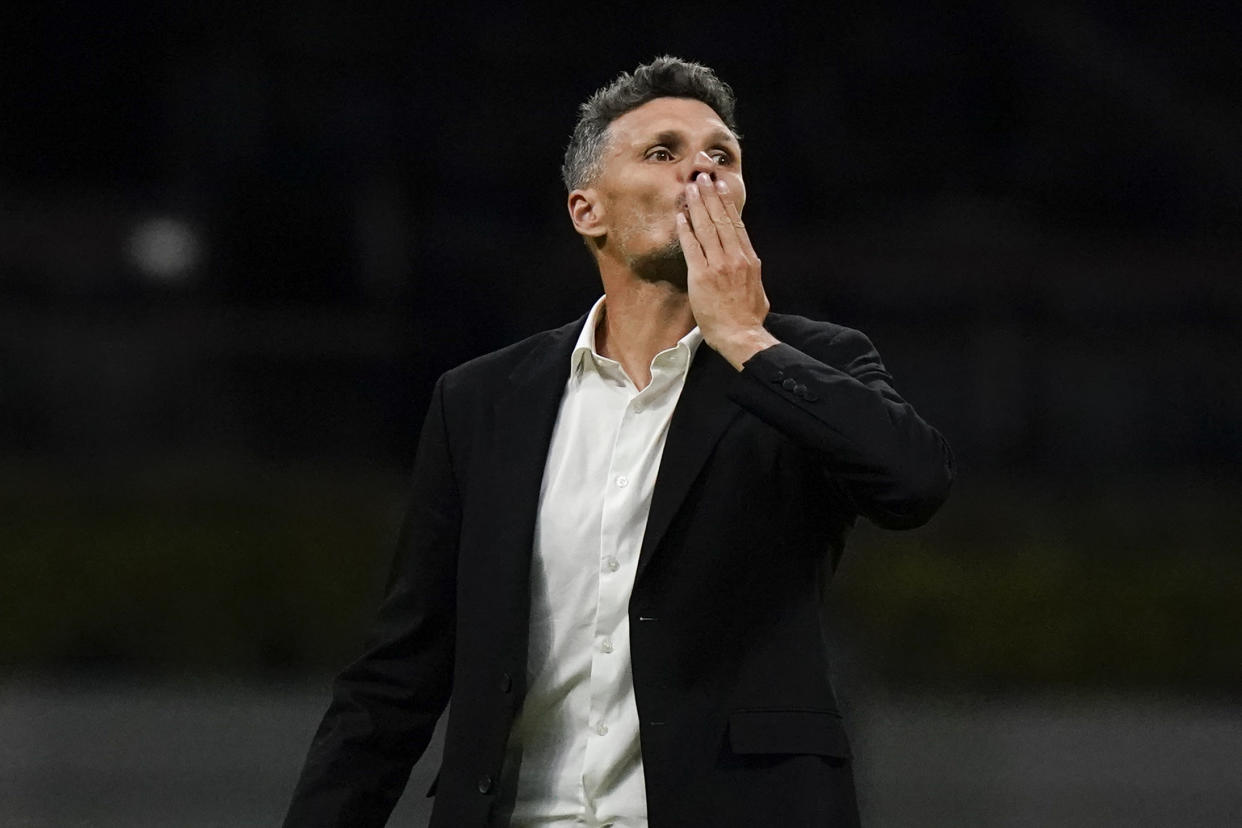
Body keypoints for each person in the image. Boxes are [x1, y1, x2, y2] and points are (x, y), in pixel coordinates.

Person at [283, 56, 954, 828]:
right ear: (587, 211)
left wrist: (742, 336)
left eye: (721, 156)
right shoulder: (482, 401)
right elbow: (396, 676)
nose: (700, 171)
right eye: (663, 153)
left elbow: (916, 484)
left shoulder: (812, 366)